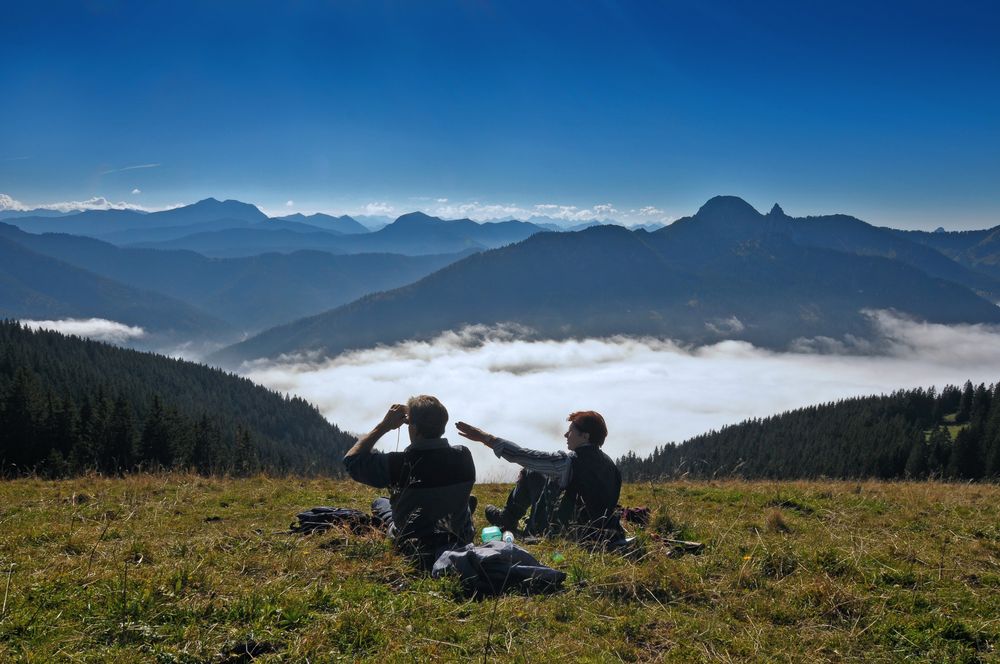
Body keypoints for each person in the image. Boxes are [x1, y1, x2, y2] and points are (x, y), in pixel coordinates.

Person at [344, 395, 476, 568]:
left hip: (413, 543)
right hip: (459, 537)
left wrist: (384, 426)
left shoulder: (398, 464)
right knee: (463, 498)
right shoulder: (463, 456)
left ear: (413, 428)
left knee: (380, 502)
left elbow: (352, 462)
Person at [455, 411, 624, 543]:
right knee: (534, 471)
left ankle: (509, 519)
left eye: (571, 431)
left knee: (531, 469)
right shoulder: (611, 466)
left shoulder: (568, 462)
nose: (566, 435)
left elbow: (522, 455)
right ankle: (508, 517)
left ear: (585, 436)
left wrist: (486, 438)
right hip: (599, 532)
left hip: (564, 533)